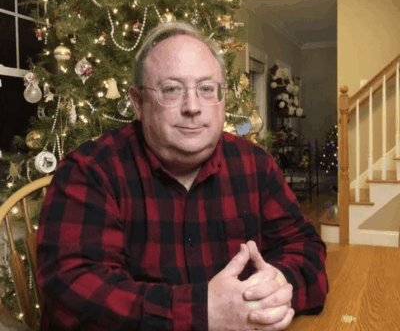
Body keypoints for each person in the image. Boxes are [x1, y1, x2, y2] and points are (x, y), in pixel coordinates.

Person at [37, 21, 329, 331]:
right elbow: (73, 293)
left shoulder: (256, 165)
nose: (193, 107)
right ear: (138, 103)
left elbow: (306, 248)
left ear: (222, 99)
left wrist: (275, 289)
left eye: (206, 89)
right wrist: (203, 313)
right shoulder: (89, 170)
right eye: (172, 90)